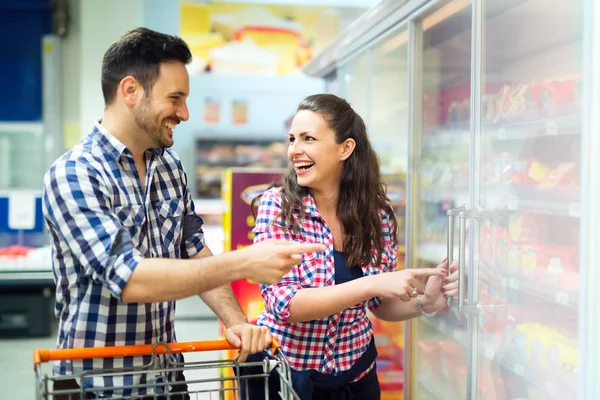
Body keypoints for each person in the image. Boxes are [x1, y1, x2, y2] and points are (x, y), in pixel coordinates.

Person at [41, 27, 324, 400]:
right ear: (130, 91)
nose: (185, 113)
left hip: (166, 378)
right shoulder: (75, 174)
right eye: (175, 98)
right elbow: (130, 280)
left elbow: (193, 249)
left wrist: (236, 322)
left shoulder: (169, 167)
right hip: (97, 383)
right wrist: (243, 263)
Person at [242, 94, 460, 400]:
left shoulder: (376, 215)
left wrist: (426, 303)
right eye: (293, 139)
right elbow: (284, 305)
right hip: (286, 378)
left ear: (345, 148)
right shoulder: (278, 206)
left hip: (356, 378)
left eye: (308, 139)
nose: (295, 150)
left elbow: (379, 304)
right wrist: (371, 282)